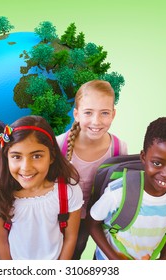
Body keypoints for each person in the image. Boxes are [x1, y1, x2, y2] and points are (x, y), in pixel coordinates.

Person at [87, 116, 166, 260]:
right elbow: (92, 224)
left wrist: (165, 257)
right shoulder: (118, 193)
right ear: (143, 157)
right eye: (157, 163)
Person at [0, 115, 84, 260]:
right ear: (7, 158)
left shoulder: (68, 191)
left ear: (51, 157)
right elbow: (1, 240)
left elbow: (70, 238)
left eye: (36, 156)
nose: (26, 168)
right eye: (16, 156)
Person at [56, 79, 128, 259]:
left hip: (96, 219)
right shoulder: (58, 145)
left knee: (79, 251)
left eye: (104, 113)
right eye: (88, 112)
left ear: (113, 114)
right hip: (60, 218)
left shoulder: (119, 148)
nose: (96, 121)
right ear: (76, 114)